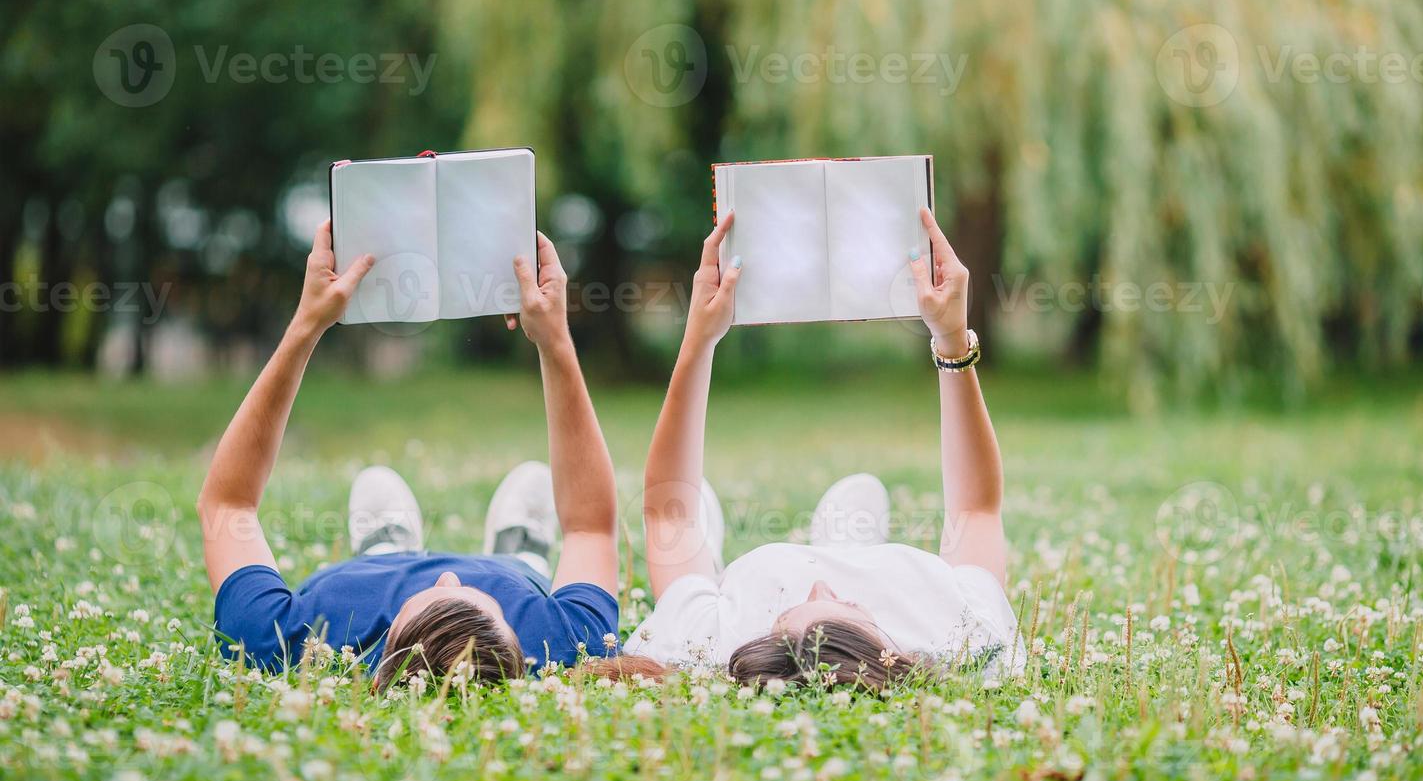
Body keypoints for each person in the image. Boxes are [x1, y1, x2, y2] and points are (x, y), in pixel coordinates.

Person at [199, 222, 621, 688]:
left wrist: (307, 323)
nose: (446, 579)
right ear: (519, 651)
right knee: (522, 573)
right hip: (508, 577)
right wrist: (554, 340)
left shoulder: (283, 643)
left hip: (361, 580)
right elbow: (588, 526)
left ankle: (384, 548)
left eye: (429, 599)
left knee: (376, 554)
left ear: (385, 655)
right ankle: (521, 554)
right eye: (475, 601)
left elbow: (228, 505)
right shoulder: (563, 643)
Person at [621, 208, 1022, 691]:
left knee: (692, 515)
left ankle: (803, 543)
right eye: (850, 606)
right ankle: (846, 540)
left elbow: (670, 514)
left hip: (765, 576)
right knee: (858, 511)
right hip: (894, 576)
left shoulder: (709, 646)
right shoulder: (967, 638)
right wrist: (952, 339)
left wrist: (699, 339)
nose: (821, 586)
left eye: (791, 610)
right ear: (891, 652)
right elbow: (976, 510)